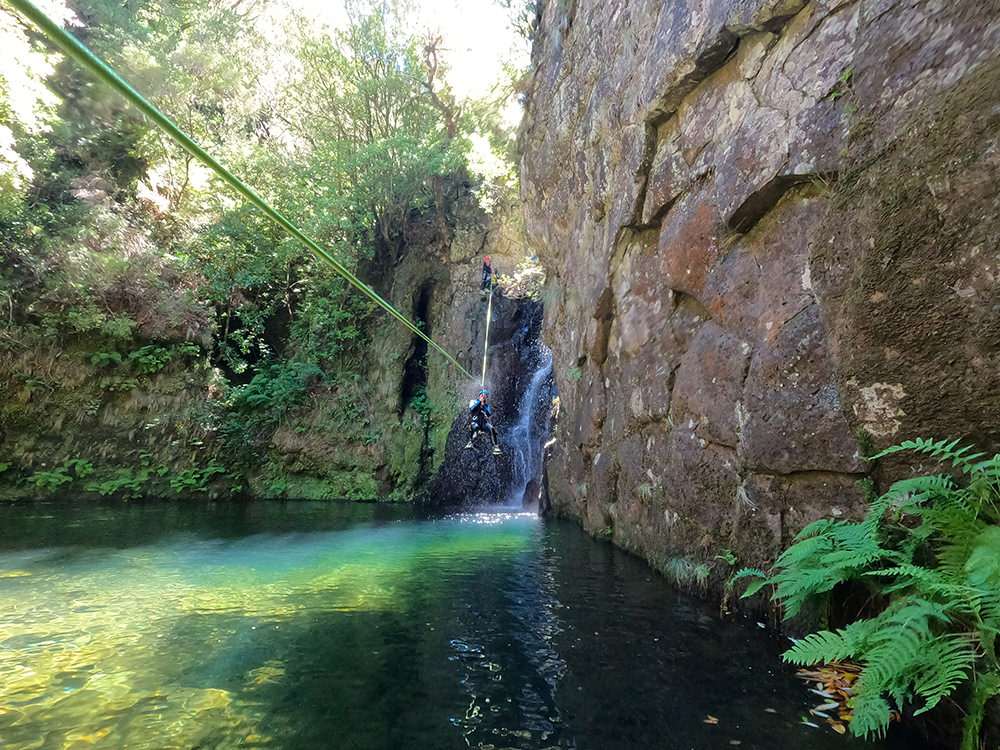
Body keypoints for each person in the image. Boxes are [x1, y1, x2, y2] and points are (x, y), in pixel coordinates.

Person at [465, 389, 501, 454]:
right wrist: (479, 401)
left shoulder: (486, 406)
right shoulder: (473, 401)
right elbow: (472, 408)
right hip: (475, 421)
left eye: (485, 396)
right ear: (479, 396)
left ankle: (495, 446)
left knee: (491, 428)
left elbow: (488, 414)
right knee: (475, 427)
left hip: (483, 423)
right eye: (482, 395)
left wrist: (483, 405)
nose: (483, 397)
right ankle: (471, 442)